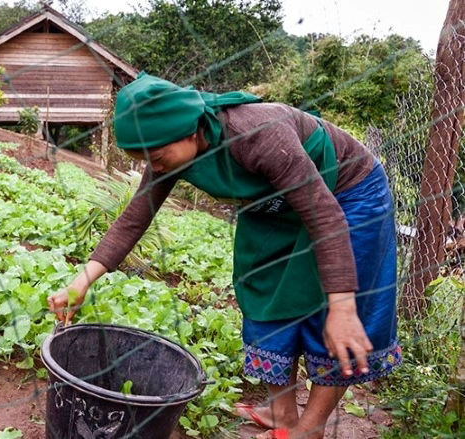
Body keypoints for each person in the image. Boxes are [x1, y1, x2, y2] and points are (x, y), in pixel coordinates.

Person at [47, 73, 401, 439]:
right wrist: (82, 280)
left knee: (333, 310)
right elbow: (135, 217)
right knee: (264, 289)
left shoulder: (259, 134)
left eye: (157, 156)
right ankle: (283, 415)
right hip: (277, 204)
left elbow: (324, 216)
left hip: (347, 192)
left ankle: (309, 429)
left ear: (190, 132)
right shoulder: (171, 151)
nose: (156, 165)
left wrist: (342, 305)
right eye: (145, 159)